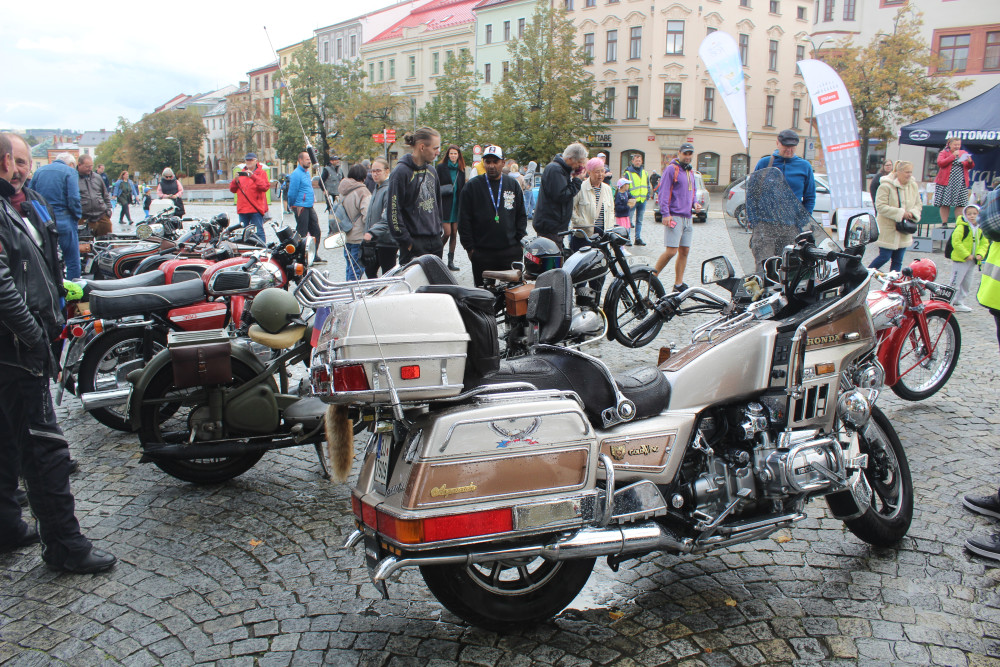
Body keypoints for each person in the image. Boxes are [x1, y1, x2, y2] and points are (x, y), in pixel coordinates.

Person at [0, 134, 116, 573]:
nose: (22, 170)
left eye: (25, 162)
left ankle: (7, 525)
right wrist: (33, 336)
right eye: (17, 161)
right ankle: (64, 545)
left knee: (8, 438)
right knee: (44, 446)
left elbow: (38, 267)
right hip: (15, 348)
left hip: (19, 343)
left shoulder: (24, 203)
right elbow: (3, 288)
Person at [457, 146, 527, 287]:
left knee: (513, 295)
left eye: (495, 161)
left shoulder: (512, 184)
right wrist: (470, 249)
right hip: (482, 253)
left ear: (503, 163)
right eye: (488, 162)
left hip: (510, 251)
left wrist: (519, 243)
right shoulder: (472, 186)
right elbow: (464, 219)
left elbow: (521, 214)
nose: (491, 166)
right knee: (483, 296)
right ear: (483, 163)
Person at [388, 127, 444, 264]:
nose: (438, 152)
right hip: (414, 244)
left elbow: (438, 204)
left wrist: (439, 232)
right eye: (435, 148)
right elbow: (393, 211)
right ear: (422, 147)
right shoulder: (401, 172)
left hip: (435, 242)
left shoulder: (432, 171)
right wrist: (408, 243)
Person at [654, 143, 702, 293]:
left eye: (690, 154)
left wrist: (695, 203)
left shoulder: (690, 171)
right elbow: (663, 192)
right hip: (674, 215)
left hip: (688, 216)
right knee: (671, 251)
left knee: (684, 250)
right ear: (679, 153)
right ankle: (651, 278)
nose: (687, 156)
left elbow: (692, 191)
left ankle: (678, 284)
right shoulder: (671, 169)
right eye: (685, 153)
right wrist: (665, 214)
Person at [30, 152, 81, 279]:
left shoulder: (39, 172)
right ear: (71, 164)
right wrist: (77, 216)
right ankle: (73, 286)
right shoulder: (70, 172)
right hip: (64, 219)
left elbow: (30, 196)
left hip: (43, 219)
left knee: (45, 258)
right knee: (72, 259)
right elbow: (74, 199)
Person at [870, 160, 921, 273]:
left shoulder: (913, 186)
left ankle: (893, 282)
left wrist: (912, 213)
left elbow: (918, 204)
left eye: (911, 172)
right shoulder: (886, 185)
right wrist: (900, 213)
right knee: (884, 257)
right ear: (899, 172)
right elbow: (880, 206)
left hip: (904, 230)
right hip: (888, 230)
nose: (909, 175)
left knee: (898, 260)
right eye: (907, 172)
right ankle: (865, 275)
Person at [533, 142, 587, 246]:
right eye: (579, 162)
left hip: (553, 225)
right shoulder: (556, 170)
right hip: (550, 226)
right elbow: (562, 195)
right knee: (552, 254)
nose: (579, 166)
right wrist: (577, 181)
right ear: (570, 159)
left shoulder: (560, 169)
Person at [754, 129, 816, 214]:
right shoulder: (764, 163)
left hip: (793, 220)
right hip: (766, 219)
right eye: (786, 146)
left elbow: (810, 197)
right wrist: (754, 217)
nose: (789, 150)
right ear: (777, 143)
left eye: (792, 147)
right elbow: (753, 193)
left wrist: (805, 218)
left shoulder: (805, 166)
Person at [948, 204, 989, 312]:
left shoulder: (980, 228)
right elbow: (956, 242)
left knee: (967, 283)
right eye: (969, 214)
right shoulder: (961, 227)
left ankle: (959, 302)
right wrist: (966, 255)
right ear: (965, 215)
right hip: (961, 260)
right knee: (955, 282)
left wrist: (980, 254)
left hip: (973, 261)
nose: (972, 216)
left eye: (975, 214)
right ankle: (948, 302)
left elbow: (984, 243)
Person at [569, 157, 614, 253]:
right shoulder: (581, 187)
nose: (600, 174)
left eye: (602, 171)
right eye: (597, 172)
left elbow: (611, 211)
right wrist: (579, 222)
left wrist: (610, 228)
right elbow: (570, 208)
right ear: (589, 172)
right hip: (584, 236)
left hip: (602, 237)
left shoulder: (607, 189)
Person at [363, 158, 397, 278]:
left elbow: (388, 217)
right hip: (376, 240)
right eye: (373, 171)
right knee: (370, 271)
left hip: (387, 241)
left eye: (378, 171)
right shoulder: (377, 188)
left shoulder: (389, 189)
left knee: (387, 275)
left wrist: (371, 232)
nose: (375, 174)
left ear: (387, 171)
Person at [287, 150, 323, 264]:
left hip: (309, 205)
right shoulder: (296, 174)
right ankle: (300, 256)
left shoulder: (307, 173)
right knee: (302, 232)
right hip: (300, 206)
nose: (309, 161)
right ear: (300, 160)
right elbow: (292, 191)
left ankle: (313, 254)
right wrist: (292, 205)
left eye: (309, 159)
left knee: (316, 231)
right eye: (307, 159)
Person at [437, 145, 467, 271]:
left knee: (454, 233)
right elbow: (436, 185)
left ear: (458, 155)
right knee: (447, 233)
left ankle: (450, 262)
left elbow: (463, 187)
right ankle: (436, 255)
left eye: (455, 153)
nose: (453, 156)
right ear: (448, 155)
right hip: (445, 204)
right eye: (451, 153)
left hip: (456, 204)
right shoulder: (441, 167)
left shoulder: (461, 169)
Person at [339, 164, 371, 281]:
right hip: (359, 236)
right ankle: (352, 289)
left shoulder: (343, 189)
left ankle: (347, 287)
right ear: (363, 176)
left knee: (349, 267)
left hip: (346, 234)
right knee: (357, 268)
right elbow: (367, 215)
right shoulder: (362, 191)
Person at [228, 153, 269, 241]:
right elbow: (232, 189)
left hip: (256, 208)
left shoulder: (261, 173)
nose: (249, 162)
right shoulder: (241, 173)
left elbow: (265, 187)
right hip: (243, 209)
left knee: (259, 232)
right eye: (247, 160)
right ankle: (246, 247)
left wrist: (253, 176)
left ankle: (262, 247)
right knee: (243, 233)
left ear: (256, 161)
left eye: (251, 160)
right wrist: (235, 181)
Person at [935, 138, 974, 225]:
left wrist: (970, 161)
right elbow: (940, 163)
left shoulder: (963, 153)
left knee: (961, 204)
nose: (957, 147)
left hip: (960, 182)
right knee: (945, 203)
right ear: (950, 144)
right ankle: (944, 223)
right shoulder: (944, 152)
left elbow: (970, 166)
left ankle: (958, 223)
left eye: (958, 145)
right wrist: (952, 156)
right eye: (955, 145)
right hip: (946, 182)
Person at [77, 155, 112, 238]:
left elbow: (105, 195)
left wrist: (108, 211)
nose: (90, 168)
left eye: (91, 166)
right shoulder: (72, 178)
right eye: (87, 167)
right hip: (83, 217)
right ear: (79, 165)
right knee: (85, 243)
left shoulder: (97, 177)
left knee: (107, 241)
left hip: (102, 216)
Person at [623, 153, 650, 245]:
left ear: (641, 161)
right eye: (636, 161)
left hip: (642, 200)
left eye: (639, 161)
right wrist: (629, 197)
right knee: (629, 220)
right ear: (633, 161)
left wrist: (647, 195)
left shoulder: (645, 173)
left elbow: (647, 185)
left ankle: (637, 238)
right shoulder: (628, 173)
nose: (638, 162)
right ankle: (627, 238)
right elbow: (625, 187)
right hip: (632, 200)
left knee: (639, 220)